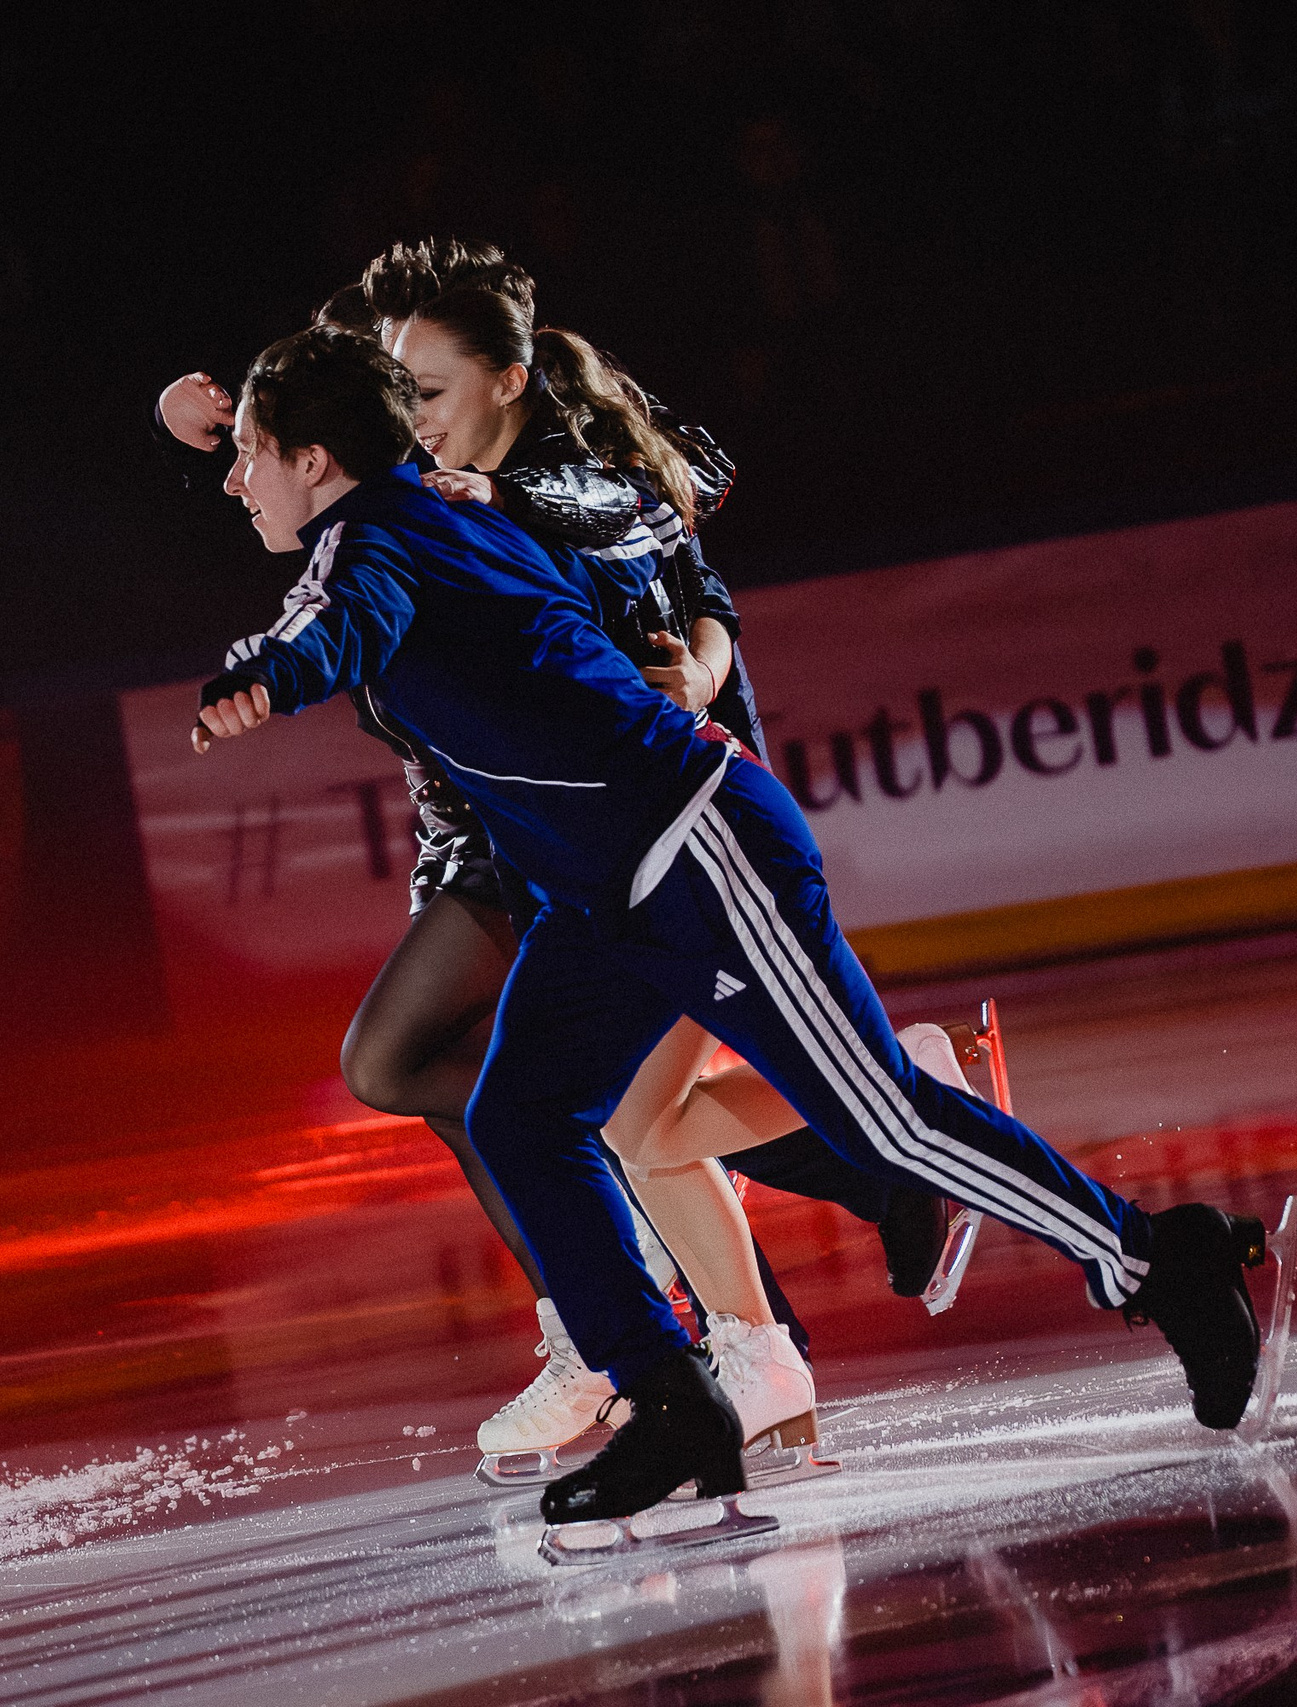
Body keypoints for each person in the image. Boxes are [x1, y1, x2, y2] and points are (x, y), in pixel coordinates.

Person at [191, 322, 1272, 1526]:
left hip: (695, 850)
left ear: (318, 458)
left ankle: (1154, 1260)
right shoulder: (417, 510)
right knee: (521, 1115)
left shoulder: (380, 541)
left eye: (248, 456)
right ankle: (669, 1401)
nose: (232, 483)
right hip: (599, 889)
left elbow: (329, 625)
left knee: (880, 1122)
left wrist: (259, 676)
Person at [160, 242, 945, 1472]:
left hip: (603, 831)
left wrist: (695, 655)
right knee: (552, 1104)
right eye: (393, 390)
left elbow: (669, 533)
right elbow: (317, 474)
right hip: (508, 829)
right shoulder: (415, 483)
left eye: (423, 389)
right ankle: (754, 1264)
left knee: (528, 1097)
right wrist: (205, 419)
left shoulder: (546, 486)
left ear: (505, 379)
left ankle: (764, 1250)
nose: (407, 414)